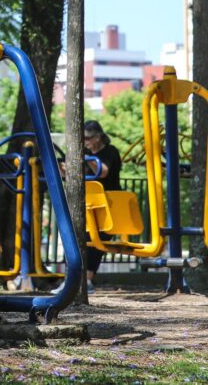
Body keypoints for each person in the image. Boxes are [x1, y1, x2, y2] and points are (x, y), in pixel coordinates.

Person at [83, 119, 122, 292]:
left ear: (98, 137)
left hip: (108, 202)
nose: (86, 142)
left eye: (88, 138)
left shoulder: (110, 151)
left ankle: (88, 279)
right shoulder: (85, 152)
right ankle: (82, 278)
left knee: (98, 240)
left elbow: (103, 171)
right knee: (84, 239)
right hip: (90, 203)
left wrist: (87, 159)